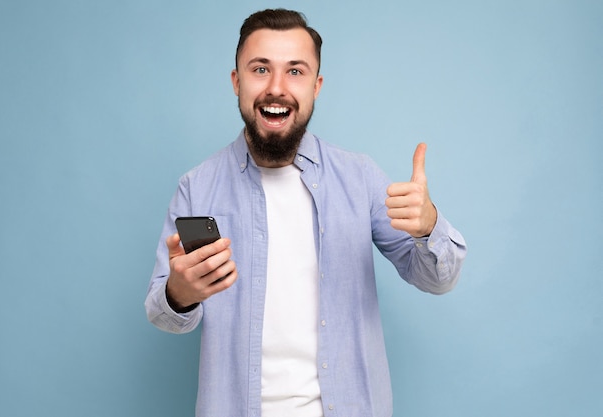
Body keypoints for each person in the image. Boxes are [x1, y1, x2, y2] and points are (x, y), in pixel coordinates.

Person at [145, 8, 466, 417]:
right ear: (236, 81)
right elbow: (162, 313)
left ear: (316, 86)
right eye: (260, 69)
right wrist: (182, 294)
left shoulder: (359, 177)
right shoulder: (197, 187)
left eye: (295, 72)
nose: (276, 87)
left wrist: (429, 226)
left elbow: (438, 279)